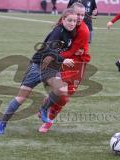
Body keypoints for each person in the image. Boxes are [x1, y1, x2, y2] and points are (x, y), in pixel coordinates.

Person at [0, 8, 77, 135]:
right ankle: (2, 121)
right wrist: (63, 59)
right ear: (63, 19)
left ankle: (43, 109)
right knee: (21, 98)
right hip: (37, 65)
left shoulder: (72, 32)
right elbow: (49, 51)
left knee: (62, 90)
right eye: (69, 20)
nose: (72, 23)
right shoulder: (58, 31)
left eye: (74, 21)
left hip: (51, 68)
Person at [38, 2, 91, 133]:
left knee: (64, 98)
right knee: (60, 92)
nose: (79, 18)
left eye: (82, 15)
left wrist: (53, 56)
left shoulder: (84, 31)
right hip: (63, 60)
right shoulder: (65, 21)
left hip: (76, 64)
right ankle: (47, 120)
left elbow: (72, 51)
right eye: (77, 14)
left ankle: (47, 110)